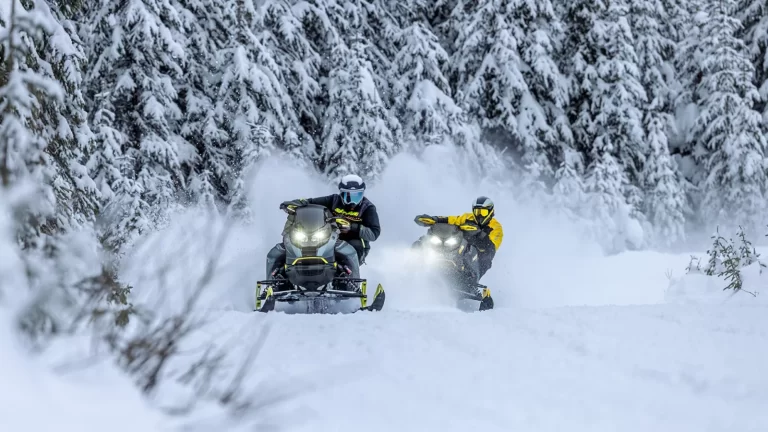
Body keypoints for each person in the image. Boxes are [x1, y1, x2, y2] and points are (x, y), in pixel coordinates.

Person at [266, 174, 381, 284]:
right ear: (341, 194)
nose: (352, 201)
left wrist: (353, 227)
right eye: (348, 196)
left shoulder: (368, 208)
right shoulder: (334, 200)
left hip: (354, 241)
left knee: (353, 248)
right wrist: (294, 204)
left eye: (357, 196)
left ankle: (353, 282)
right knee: (294, 245)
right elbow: (310, 203)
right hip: (329, 238)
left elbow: (374, 233)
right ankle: (279, 278)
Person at [414, 196, 503, 280]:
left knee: (471, 248)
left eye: (483, 212)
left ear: (490, 212)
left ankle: (468, 277)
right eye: (477, 212)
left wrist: (477, 233)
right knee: (426, 240)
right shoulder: (467, 217)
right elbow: (450, 219)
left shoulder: (496, 228)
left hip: (480, 258)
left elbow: (490, 247)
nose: (479, 215)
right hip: (461, 249)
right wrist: (434, 219)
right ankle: (415, 259)